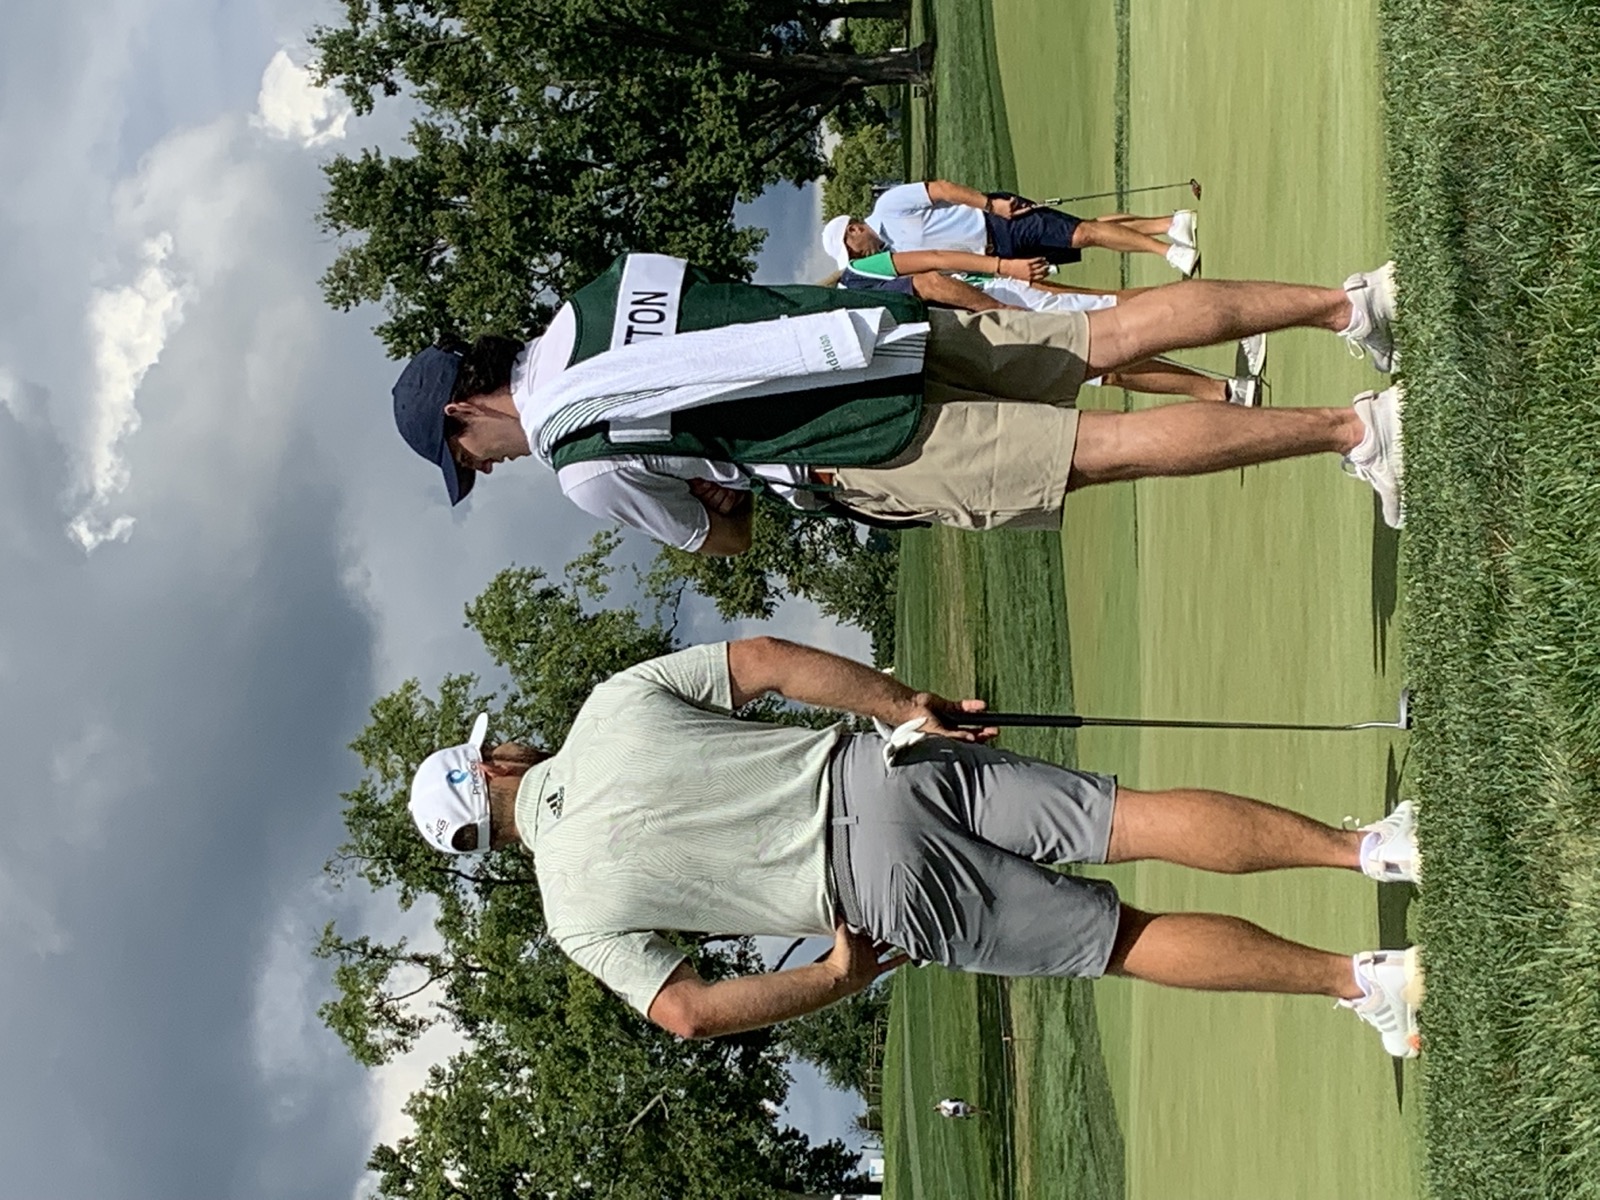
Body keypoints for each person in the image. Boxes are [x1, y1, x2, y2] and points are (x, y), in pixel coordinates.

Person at [406, 637, 1425, 1057]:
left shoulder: (571, 913)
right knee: (1129, 818)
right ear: (491, 768)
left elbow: (687, 1013)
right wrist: (903, 705)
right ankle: (1373, 849)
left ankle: (1365, 978)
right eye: (495, 747)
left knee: (1120, 940)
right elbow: (764, 661)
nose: (507, 743)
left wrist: (836, 977)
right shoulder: (607, 708)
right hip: (881, 771)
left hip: (873, 894)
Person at [391, 252, 1404, 559]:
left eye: (468, 457)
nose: (487, 466)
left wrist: (723, 494)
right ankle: (1348, 303)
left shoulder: (578, 460)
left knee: (1104, 447)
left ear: (460, 412)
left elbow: (721, 536)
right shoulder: (597, 293)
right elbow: (733, 302)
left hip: (861, 439)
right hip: (875, 333)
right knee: (1111, 332)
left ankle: (1355, 429)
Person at [832, 256, 1265, 406]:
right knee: (1106, 369)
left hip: (1002, 308)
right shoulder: (845, 317)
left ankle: (1237, 319)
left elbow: (930, 282)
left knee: (1118, 314)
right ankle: (1221, 392)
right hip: (991, 342)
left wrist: (1001, 311)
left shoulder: (856, 282)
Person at [822, 180, 1202, 278]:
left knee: (1081, 233)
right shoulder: (892, 258)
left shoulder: (888, 206)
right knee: (1085, 234)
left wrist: (992, 204)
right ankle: (1170, 223)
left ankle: (1169, 251)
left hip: (997, 219)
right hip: (1001, 254)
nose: (858, 256)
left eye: (851, 249)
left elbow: (941, 189)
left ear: (854, 230)